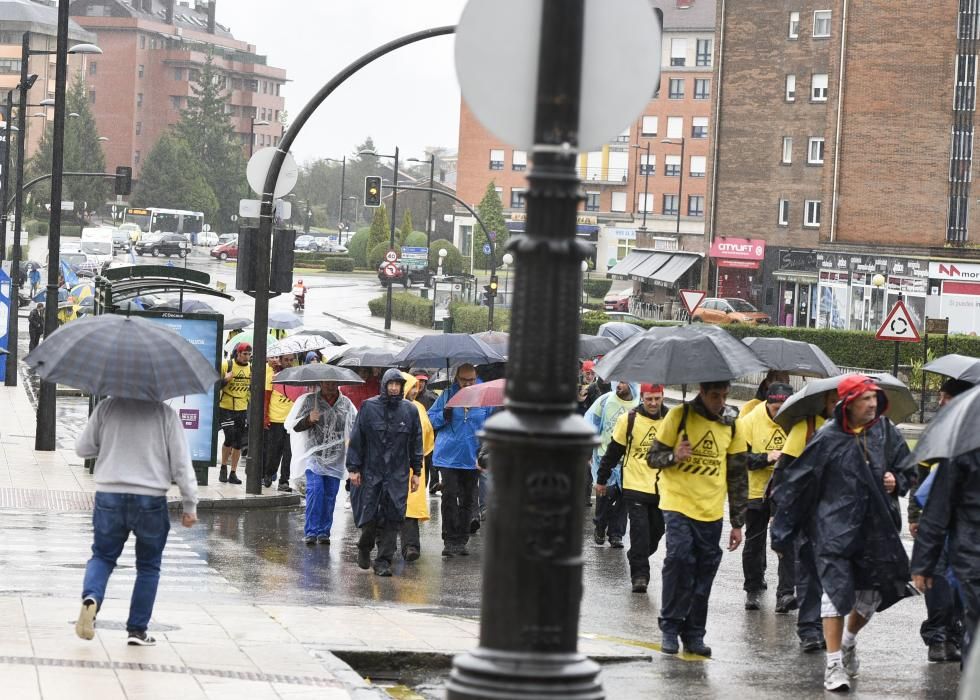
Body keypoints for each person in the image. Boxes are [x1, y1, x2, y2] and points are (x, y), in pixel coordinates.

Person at [771, 374, 916, 693]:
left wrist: (896, 480)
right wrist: (782, 533)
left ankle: (848, 641)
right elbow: (797, 486)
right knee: (834, 594)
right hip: (833, 530)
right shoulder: (827, 438)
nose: (872, 403)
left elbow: (908, 468)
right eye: (865, 398)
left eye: (874, 397)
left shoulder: (886, 432)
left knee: (870, 598)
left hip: (875, 529)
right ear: (847, 403)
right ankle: (833, 663)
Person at [74, 396, 198, 646]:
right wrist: (189, 504)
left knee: (102, 557)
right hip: (150, 498)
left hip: (110, 494)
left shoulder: (107, 407)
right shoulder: (165, 414)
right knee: (149, 566)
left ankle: (91, 598)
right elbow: (181, 464)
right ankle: (137, 630)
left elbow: (82, 449)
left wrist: (109, 445)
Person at [647, 380, 748, 657]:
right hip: (678, 502)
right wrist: (674, 455)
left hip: (711, 511)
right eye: (715, 396)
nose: (720, 402)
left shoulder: (733, 424)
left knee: (704, 572)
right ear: (702, 392)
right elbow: (652, 457)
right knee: (679, 560)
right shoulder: (678, 416)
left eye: (725, 396)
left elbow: (738, 475)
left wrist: (738, 522)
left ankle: (693, 633)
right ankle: (669, 626)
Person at [907, 377, 973, 663]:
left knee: (960, 587)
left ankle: (956, 636)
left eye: (946, 397)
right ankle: (937, 638)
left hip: (962, 526)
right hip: (937, 519)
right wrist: (913, 514)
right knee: (936, 582)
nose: (941, 402)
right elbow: (918, 477)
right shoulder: (937, 433)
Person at [770, 389, 839, 652]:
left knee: (834, 575)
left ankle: (828, 628)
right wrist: (782, 513)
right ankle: (810, 629)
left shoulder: (857, 433)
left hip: (840, 515)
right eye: (833, 401)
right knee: (810, 572)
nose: (838, 405)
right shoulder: (807, 427)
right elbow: (784, 472)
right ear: (825, 403)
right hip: (809, 512)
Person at [347, 368, 423, 576]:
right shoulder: (369, 407)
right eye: (390, 384)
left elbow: (416, 442)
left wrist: (416, 471)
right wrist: (353, 468)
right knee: (370, 515)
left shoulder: (410, 411)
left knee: (394, 516)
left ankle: (383, 561)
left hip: (398, 472)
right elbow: (357, 438)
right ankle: (365, 545)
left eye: (398, 384)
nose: (394, 388)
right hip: (372, 470)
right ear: (384, 385)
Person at [596, 384, 669, 593]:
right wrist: (602, 479)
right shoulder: (629, 420)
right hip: (635, 484)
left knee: (656, 532)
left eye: (657, 399)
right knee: (639, 532)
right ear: (642, 398)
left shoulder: (672, 420)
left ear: (662, 397)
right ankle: (640, 575)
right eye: (649, 399)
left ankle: (638, 555)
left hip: (662, 488)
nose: (653, 403)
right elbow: (613, 452)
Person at [741, 382, 794, 612]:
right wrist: (767, 458)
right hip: (755, 491)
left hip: (787, 491)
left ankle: (785, 594)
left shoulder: (797, 420)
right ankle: (753, 588)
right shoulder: (749, 421)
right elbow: (739, 459)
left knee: (786, 543)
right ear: (767, 403)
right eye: (775, 409)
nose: (780, 413)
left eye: (784, 408)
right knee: (754, 542)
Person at [428, 364, 491, 557]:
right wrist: (443, 415)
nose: (468, 383)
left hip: (472, 456)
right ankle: (449, 538)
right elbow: (430, 419)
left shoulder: (484, 397)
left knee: (468, 500)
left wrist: (486, 454)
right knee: (449, 496)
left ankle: (462, 539)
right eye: (464, 380)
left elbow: (489, 426)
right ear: (457, 378)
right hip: (448, 456)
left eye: (471, 379)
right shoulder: (447, 395)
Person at [287, 379, 356, 545]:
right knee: (315, 491)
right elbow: (293, 426)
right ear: (320, 383)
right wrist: (308, 420)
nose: (330, 386)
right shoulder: (310, 401)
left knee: (330, 495)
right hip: (314, 456)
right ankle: (311, 531)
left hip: (336, 457)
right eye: (326, 383)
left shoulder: (346, 404)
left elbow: (355, 426)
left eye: (333, 383)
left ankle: (324, 532)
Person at [585, 381, 639, 548]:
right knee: (605, 494)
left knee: (624, 498)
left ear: (631, 385)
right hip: (605, 456)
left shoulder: (638, 405)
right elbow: (592, 423)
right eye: (618, 381)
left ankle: (616, 534)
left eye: (623, 382)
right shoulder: (605, 401)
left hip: (628, 460)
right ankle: (600, 527)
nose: (619, 385)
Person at [400, 373, 434, 561]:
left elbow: (427, 434)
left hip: (414, 464)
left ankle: (411, 546)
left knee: (410, 506)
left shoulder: (420, 407)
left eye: (416, 386)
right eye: (411, 387)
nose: (415, 390)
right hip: (396, 463)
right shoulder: (410, 408)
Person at [217, 342, 252, 484]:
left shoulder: (251, 368)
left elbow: (253, 389)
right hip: (226, 407)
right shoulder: (227, 365)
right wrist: (225, 380)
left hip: (242, 408)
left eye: (249, 355)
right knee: (229, 437)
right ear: (238, 353)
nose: (247, 357)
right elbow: (214, 384)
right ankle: (223, 467)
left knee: (238, 442)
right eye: (244, 354)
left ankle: (233, 472)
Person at [263, 355, 295, 492]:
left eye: (291, 359)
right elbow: (266, 398)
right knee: (274, 451)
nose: (289, 362)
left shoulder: (296, 376)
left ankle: (284, 481)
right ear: (280, 361)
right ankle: (269, 474)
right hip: (276, 419)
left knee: (288, 453)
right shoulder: (273, 376)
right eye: (286, 360)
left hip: (291, 421)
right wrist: (265, 417)